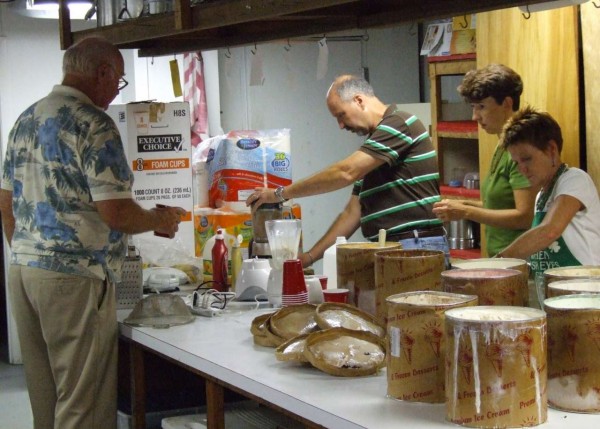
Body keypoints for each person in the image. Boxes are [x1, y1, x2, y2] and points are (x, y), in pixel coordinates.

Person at [0, 37, 185, 429]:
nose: (115, 91)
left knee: (47, 401)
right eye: (118, 81)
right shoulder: (94, 125)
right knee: (82, 405)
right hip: (74, 279)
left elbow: (5, 202)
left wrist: (28, 252)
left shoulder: (26, 119)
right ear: (102, 73)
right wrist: (160, 219)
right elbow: (116, 212)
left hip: (23, 274)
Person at [246, 74, 448, 267]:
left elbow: (345, 172)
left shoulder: (399, 123)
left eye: (341, 115)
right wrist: (308, 258)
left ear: (359, 100)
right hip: (394, 248)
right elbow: (352, 213)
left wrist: (280, 194)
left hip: (415, 246)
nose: (341, 125)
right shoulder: (373, 151)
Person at [432, 64, 537, 256]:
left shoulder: (520, 150)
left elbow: (525, 217)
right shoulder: (500, 144)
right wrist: (461, 205)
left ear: (506, 103)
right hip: (501, 258)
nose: (475, 116)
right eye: (473, 107)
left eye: (482, 107)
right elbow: (497, 206)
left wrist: (466, 213)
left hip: (521, 260)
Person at [495, 107, 600, 279]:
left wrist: (499, 262)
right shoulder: (541, 196)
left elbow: (549, 231)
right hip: (553, 293)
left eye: (527, 158)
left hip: (585, 293)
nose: (522, 169)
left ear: (552, 149)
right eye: (516, 162)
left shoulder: (575, 179)